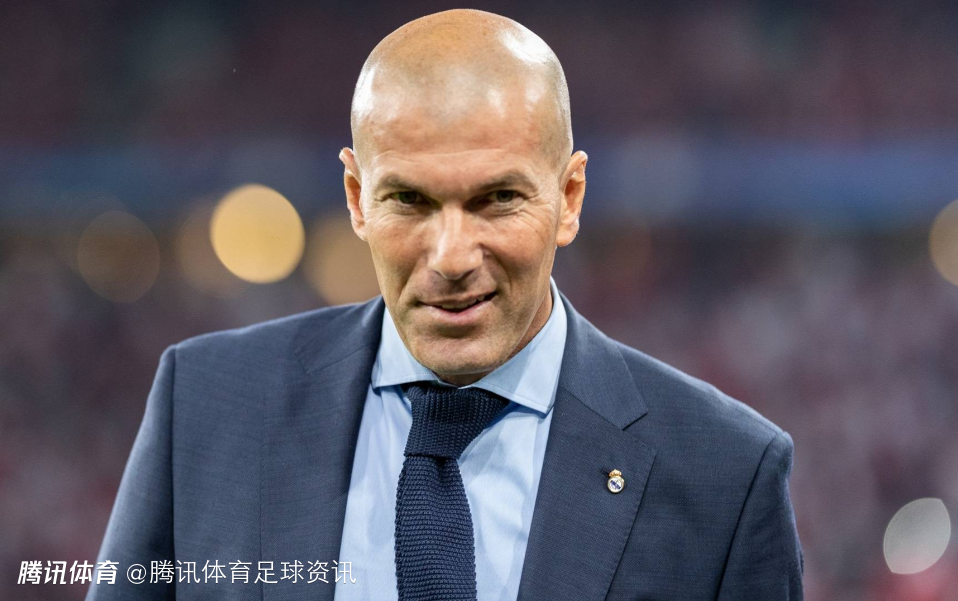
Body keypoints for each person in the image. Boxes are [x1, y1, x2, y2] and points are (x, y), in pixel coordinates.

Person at [88, 8, 802, 601]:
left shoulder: (727, 473)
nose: (452, 256)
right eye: (409, 199)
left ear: (569, 197)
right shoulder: (205, 405)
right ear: (357, 198)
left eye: (498, 198)